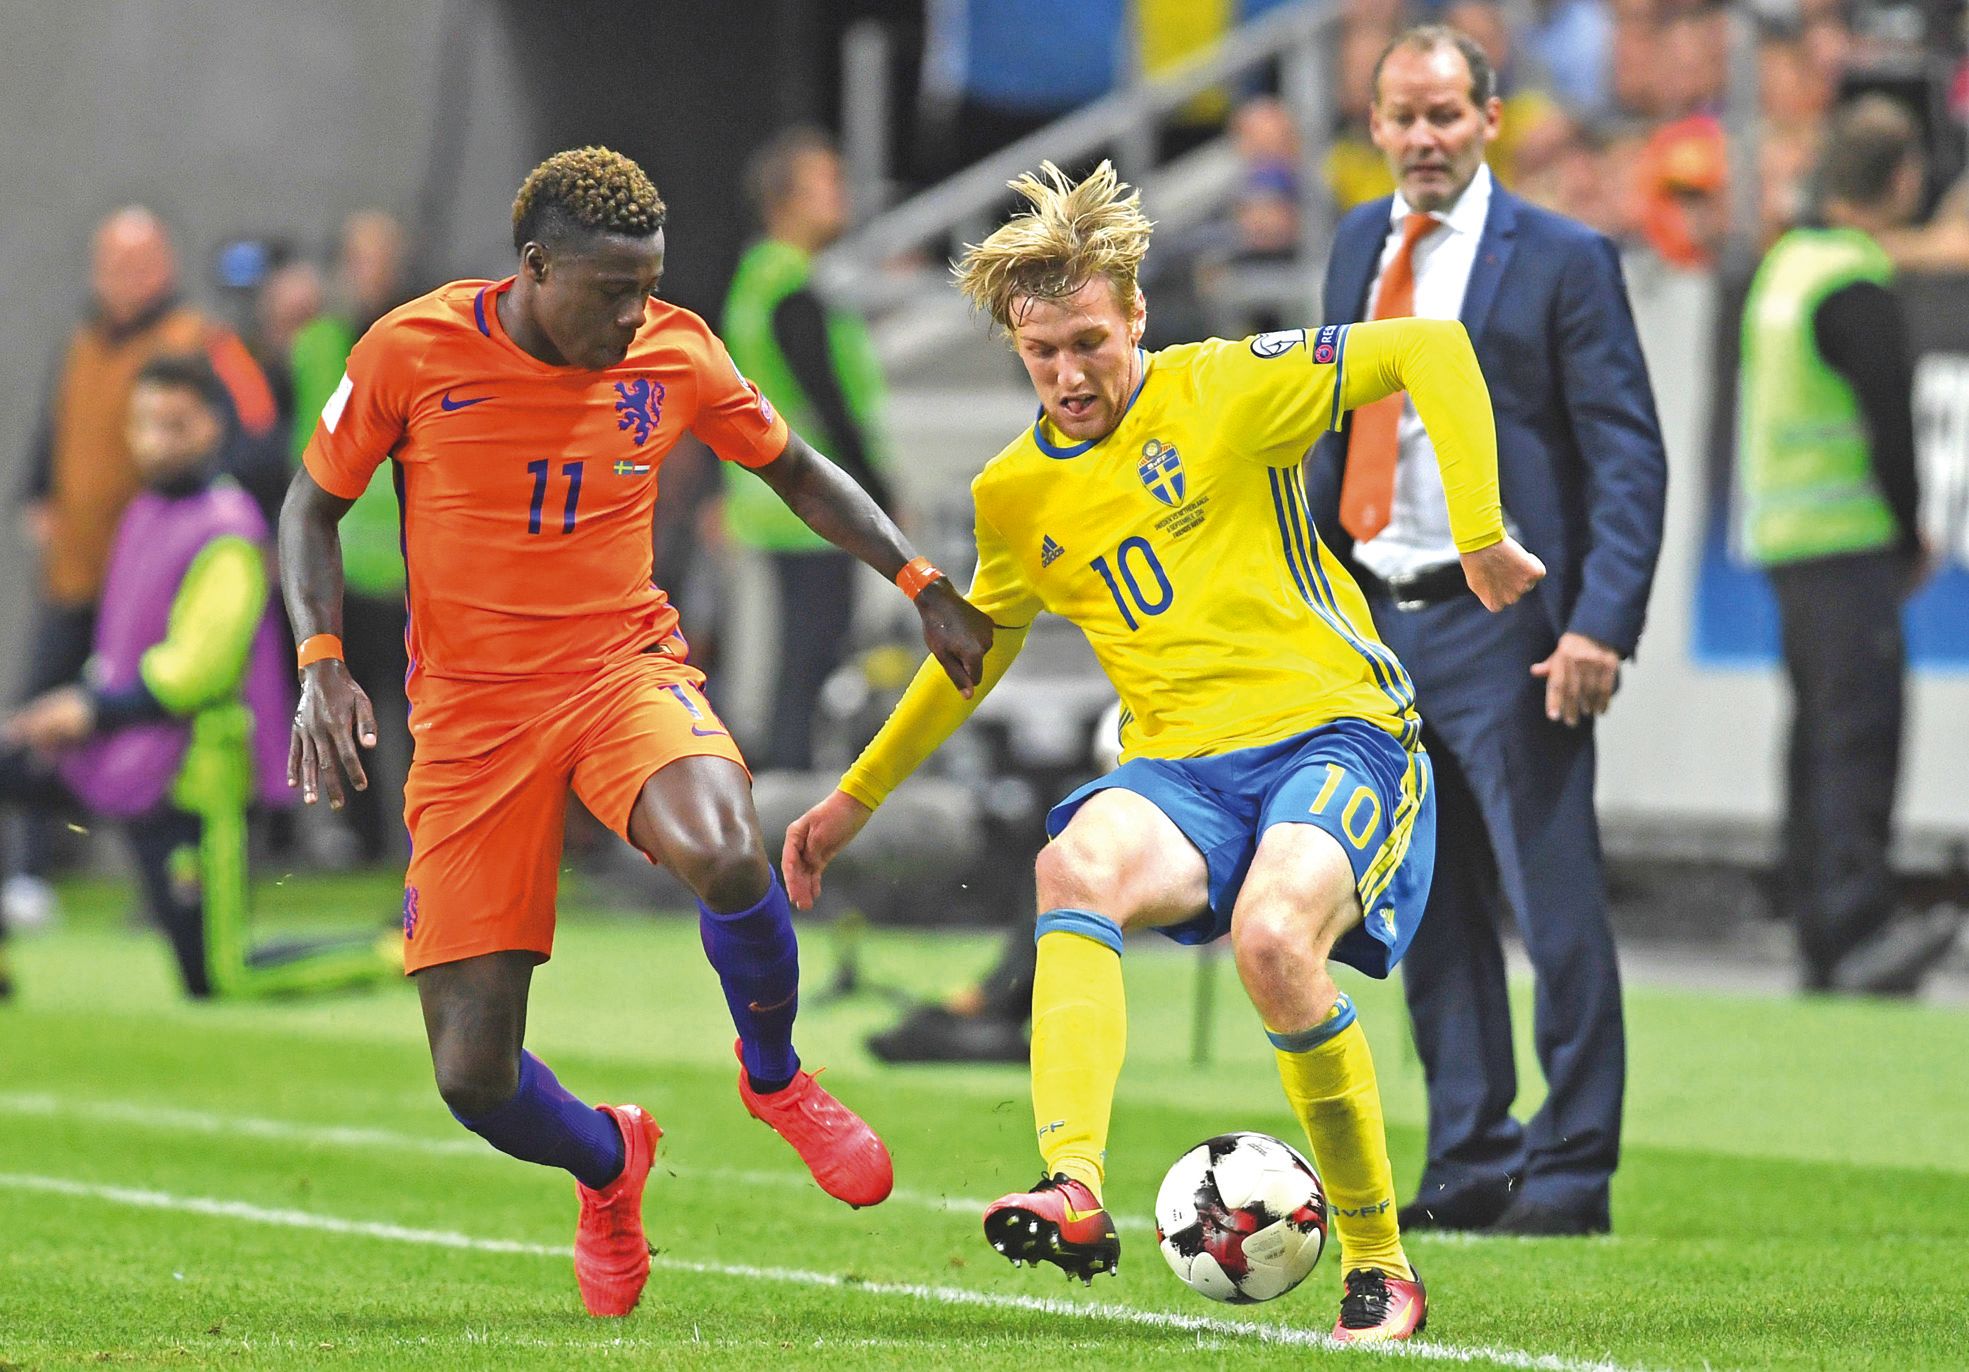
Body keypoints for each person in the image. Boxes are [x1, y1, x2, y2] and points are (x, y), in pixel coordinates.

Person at [784, 159, 1546, 1343]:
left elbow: (1428, 352)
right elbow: (964, 657)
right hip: (1182, 774)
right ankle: (1075, 1189)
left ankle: (1380, 1263)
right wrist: (852, 801)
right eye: (1043, 354)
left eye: (1090, 340)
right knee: (1069, 869)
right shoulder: (1014, 493)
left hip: (1336, 732)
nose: (1069, 373)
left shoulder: (1227, 388)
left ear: (1134, 315)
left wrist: (1482, 528)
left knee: (1271, 941)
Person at [279, 147, 992, 1319]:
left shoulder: (676, 348)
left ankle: (776, 1078)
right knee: (474, 1077)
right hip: (469, 719)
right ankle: (610, 1161)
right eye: (611, 289)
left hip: (620, 670)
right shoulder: (410, 350)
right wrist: (321, 664)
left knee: (725, 845)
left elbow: (797, 470)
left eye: (647, 285)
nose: (633, 313)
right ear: (534, 266)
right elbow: (311, 505)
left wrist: (918, 579)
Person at [1307, 25, 1667, 1238]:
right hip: (1376, 620)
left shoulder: (1563, 258)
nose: (1421, 138)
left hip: (1511, 626)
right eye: (1401, 116)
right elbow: (1327, 426)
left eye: (1444, 116)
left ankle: (1569, 1175)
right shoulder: (1358, 244)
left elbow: (1625, 450)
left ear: (1491, 122)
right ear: (1373, 126)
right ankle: (1468, 1159)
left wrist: (1601, 624)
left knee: (1551, 902)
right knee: (1424, 908)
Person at [0, 355, 385, 1000]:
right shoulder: (145, 512)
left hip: (197, 781)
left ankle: (391, 953)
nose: (154, 441)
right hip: (126, 754)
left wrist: (86, 708)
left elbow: (196, 671)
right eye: (144, 424)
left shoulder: (228, 532)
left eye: (173, 425)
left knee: (219, 976)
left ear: (210, 427)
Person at [1737, 96, 1961, 995]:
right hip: (1846, 543)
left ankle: (1815, 923)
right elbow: (1890, 431)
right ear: (1900, 180)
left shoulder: (1786, 269)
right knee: (1858, 737)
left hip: (1787, 540)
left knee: (1814, 738)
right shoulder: (1854, 283)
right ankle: (1854, 929)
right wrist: (1910, 533)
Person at [8, 208, 278, 932]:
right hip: (81, 570)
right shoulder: (82, 343)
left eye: (136, 264)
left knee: (160, 725)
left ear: (162, 265)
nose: (121, 280)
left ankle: (175, 882)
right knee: (40, 717)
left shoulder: (203, 342)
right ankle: (28, 872)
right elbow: (55, 430)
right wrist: (38, 496)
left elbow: (259, 435)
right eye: (110, 264)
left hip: (163, 573)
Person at [722, 128, 895, 770]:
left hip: (773, 500)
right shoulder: (792, 289)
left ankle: (778, 800)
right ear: (785, 199)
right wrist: (877, 492)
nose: (841, 194)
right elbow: (828, 404)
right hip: (816, 504)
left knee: (794, 663)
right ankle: (788, 801)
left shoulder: (754, 278)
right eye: (827, 183)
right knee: (813, 661)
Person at [288, 210, 415, 861]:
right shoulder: (315, 345)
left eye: (383, 258)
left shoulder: (423, 340)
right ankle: (361, 840)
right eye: (362, 259)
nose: (374, 273)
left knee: (421, 715)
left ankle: (424, 838)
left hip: (416, 565)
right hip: (347, 561)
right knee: (353, 707)